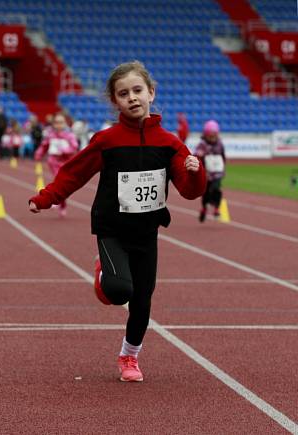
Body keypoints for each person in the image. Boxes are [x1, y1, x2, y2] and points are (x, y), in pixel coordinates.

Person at [28, 61, 205, 382]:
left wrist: (196, 171)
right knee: (119, 289)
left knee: (142, 298)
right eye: (124, 94)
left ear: (151, 93)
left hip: (147, 232)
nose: (132, 98)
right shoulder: (107, 140)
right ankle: (103, 270)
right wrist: (47, 197)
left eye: (138, 91)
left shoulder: (169, 144)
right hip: (111, 229)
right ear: (115, 101)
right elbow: (74, 171)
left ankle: (130, 356)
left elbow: (191, 191)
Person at [34, 112, 78, 217]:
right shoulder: (50, 135)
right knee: (58, 183)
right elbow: (44, 146)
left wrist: (64, 150)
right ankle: (58, 203)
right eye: (57, 122)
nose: (59, 125)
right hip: (53, 162)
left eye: (61, 122)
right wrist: (38, 153)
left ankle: (60, 204)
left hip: (66, 163)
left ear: (65, 123)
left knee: (61, 185)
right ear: (53, 124)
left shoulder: (69, 135)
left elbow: (74, 147)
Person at [194, 120, 226, 222]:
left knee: (217, 189)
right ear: (206, 134)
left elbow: (223, 156)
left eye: (214, 135)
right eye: (210, 136)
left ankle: (216, 208)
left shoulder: (220, 144)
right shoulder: (202, 145)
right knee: (206, 193)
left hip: (217, 173)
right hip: (206, 174)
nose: (212, 138)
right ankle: (204, 208)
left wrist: (223, 168)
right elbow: (197, 157)